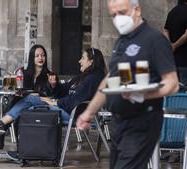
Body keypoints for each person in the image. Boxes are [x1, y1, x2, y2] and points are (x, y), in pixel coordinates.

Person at [76, 0, 179, 169]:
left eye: (122, 13)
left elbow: (172, 84)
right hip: (119, 122)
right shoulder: (121, 42)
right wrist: (89, 111)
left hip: (142, 121)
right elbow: (109, 80)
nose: (118, 18)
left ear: (136, 10)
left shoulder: (154, 40)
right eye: (114, 15)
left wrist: (143, 94)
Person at [0, 48, 107, 135]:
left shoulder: (92, 79)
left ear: (91, 61)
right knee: (28, 108)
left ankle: (2, 124)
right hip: (66, 110)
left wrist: (54, 102)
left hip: (73, 115)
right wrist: (54, 85)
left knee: (30, 100)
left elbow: (73, 101)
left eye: (83, 58)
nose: (79, 61)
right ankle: (24, 150)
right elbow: (64, 89)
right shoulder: (80, 77)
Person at [0, 44, 58, 149]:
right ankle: (5, 136)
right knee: (14, 102)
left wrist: (53, 85)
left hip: (40, 105)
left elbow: (50, 94)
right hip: (23, 102)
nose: (40, 58)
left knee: (17, 106)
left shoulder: (50, 75)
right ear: (32, 58)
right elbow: (18, 89)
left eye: (43, 55)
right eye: (37, 56)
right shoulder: (23, 72)